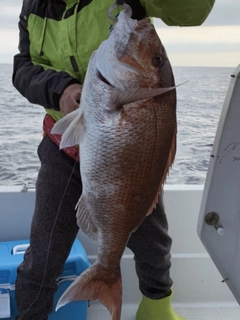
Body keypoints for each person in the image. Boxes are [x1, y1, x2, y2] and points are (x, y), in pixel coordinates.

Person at [12, 0, 215, 319]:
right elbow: (23, 67)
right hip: (61, 145)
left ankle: (156, 312)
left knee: (154, 246)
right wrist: (61, 89)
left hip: (131, 160)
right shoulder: (33, 6)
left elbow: (191, 11)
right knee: (43, 254)